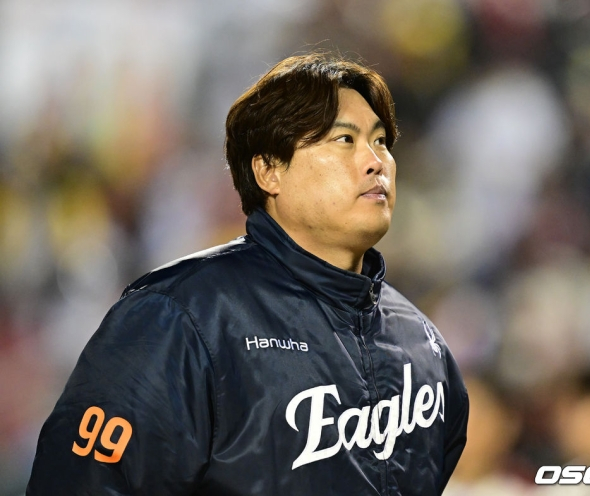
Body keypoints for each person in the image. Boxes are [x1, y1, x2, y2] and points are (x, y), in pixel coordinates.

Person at [26, 52, 469, 496]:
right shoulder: (179, 319)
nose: (376, 161)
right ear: (269, 170)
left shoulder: (421, 343)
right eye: (344, 139)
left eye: (381, 141)